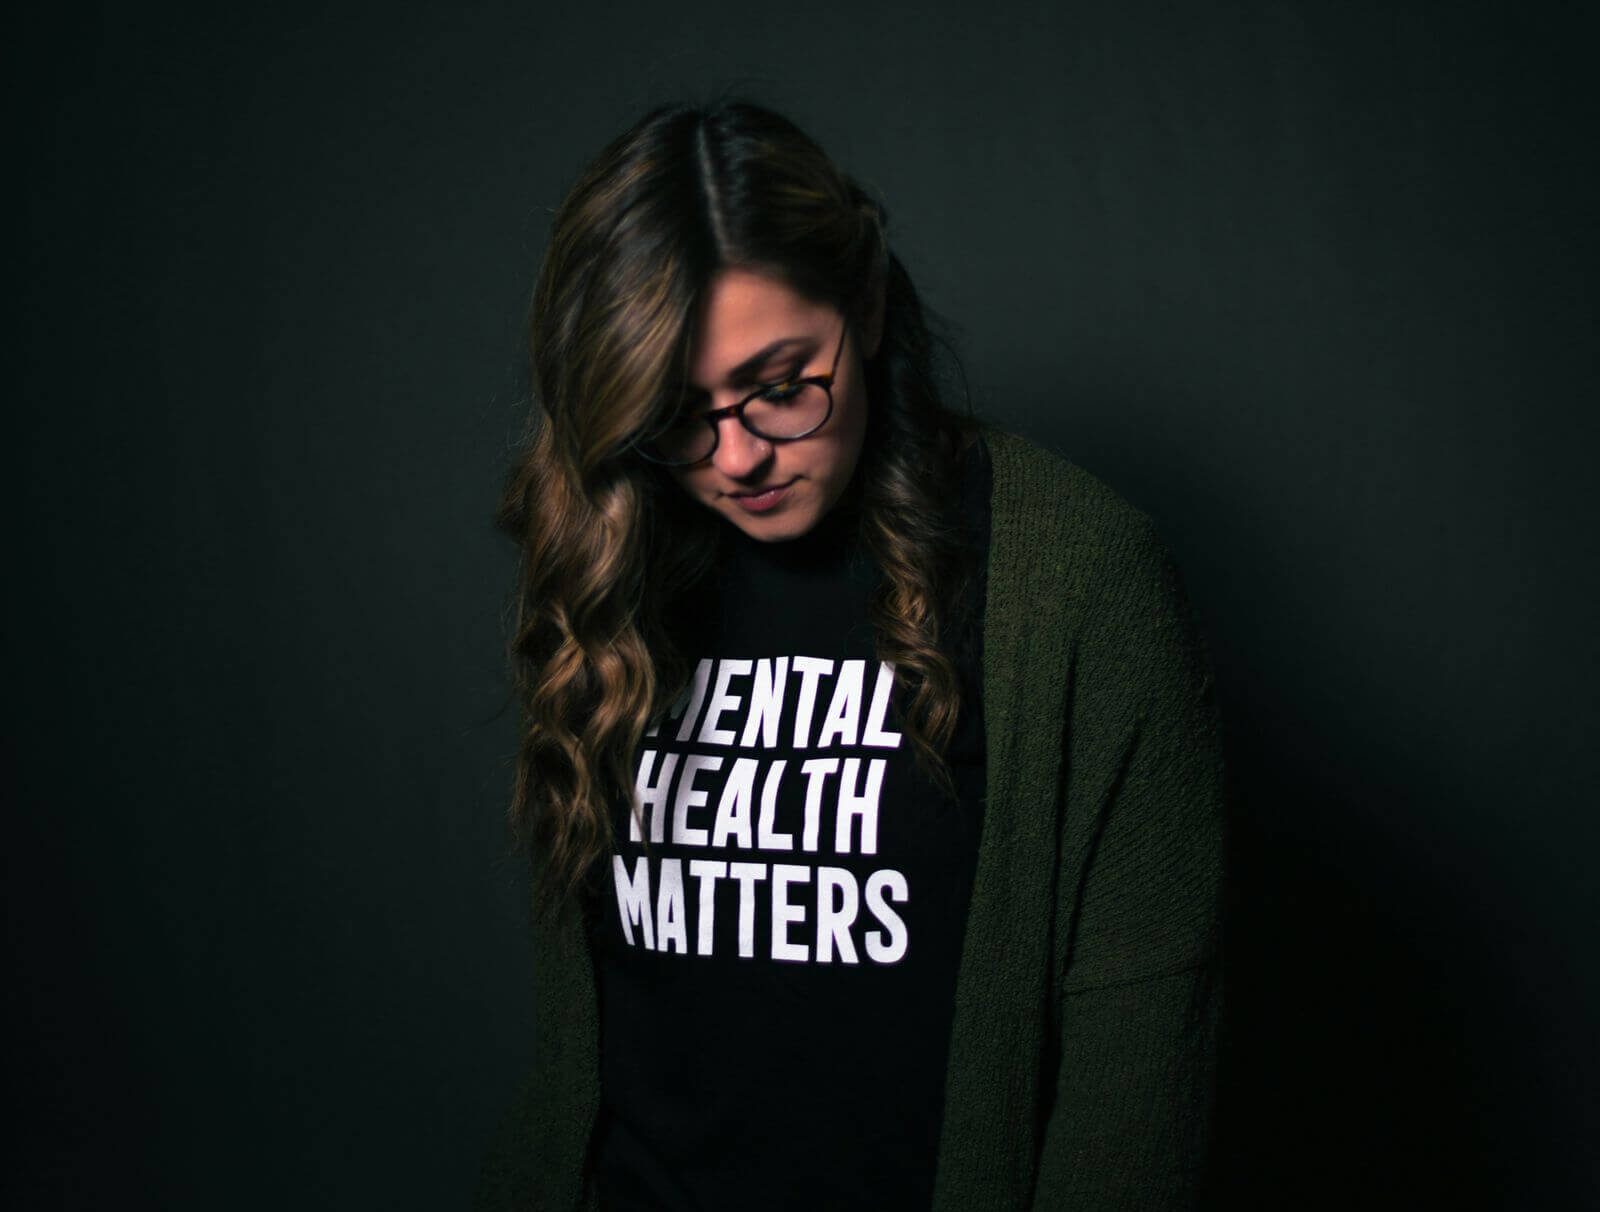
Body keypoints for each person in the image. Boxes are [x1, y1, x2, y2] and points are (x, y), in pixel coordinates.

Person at [477, 99, 1225, 1211]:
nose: (735, 457)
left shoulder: (1075, 577)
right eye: (676, 414)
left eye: (781, 386)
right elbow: (587, 1057)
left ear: (866, 303)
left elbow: (1137, 1076)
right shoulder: (611, 562)